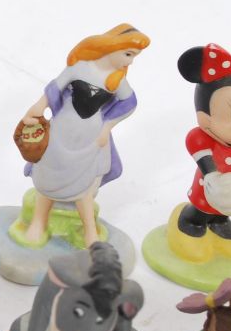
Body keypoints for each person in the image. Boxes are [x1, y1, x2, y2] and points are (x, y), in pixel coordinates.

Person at [20, 24, 150, 247]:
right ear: (112, 47)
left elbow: (129, 103)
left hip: (91, 137)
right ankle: (39, 222)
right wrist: (39, 107)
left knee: (85, 188)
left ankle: (90, 230)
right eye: (128, 54)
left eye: (134, 57)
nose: (130, 62)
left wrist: (107, 127)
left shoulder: (117, 80)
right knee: (47, 177)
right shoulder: (79, 67)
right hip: (62, 130)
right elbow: (54, 89)